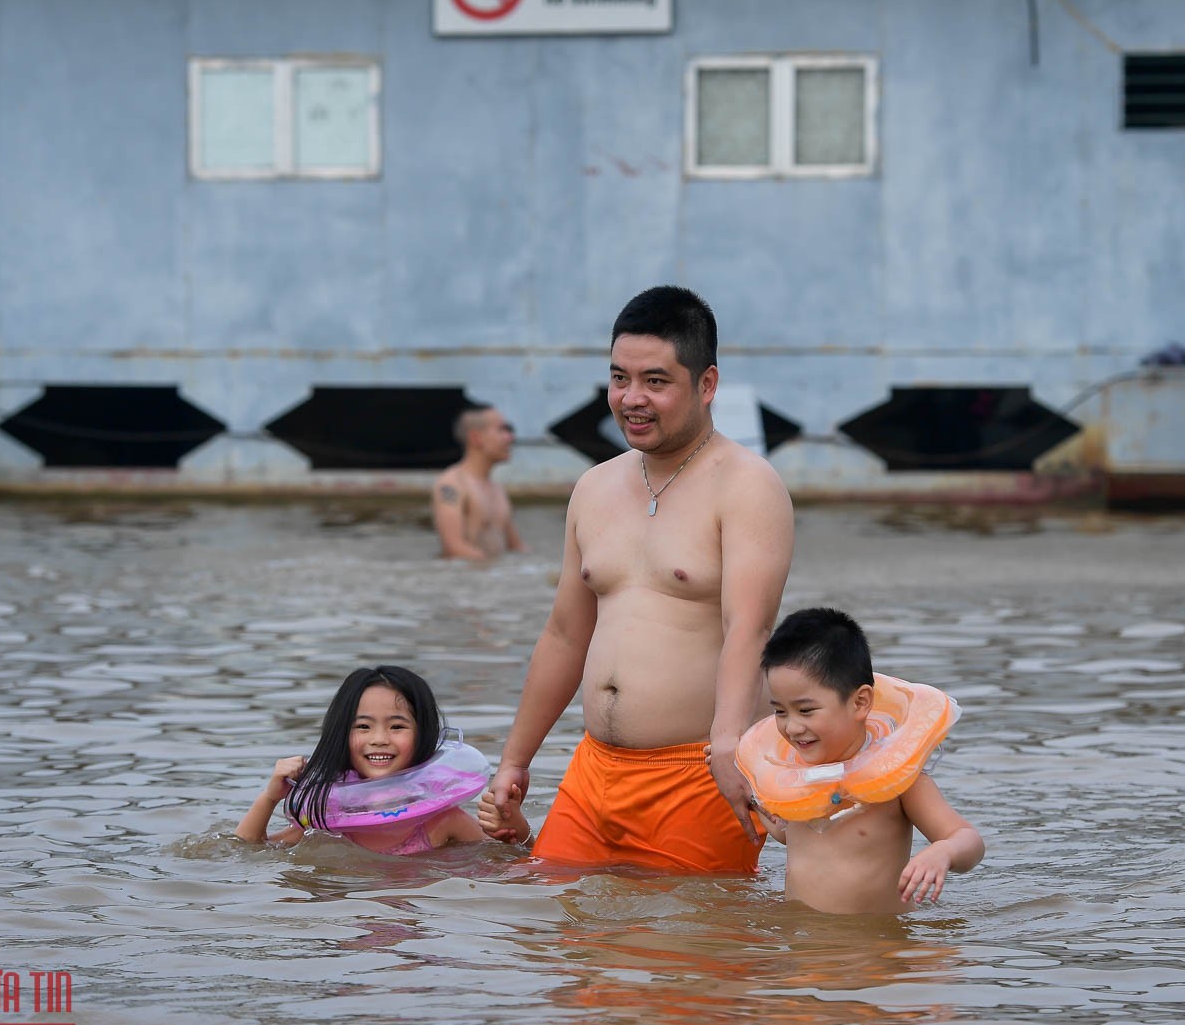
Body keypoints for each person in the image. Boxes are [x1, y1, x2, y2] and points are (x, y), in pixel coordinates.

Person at [484, 286, 794, 872]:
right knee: (557, 943)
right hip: (593, 772)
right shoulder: (594, 487)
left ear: (706, 385)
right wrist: (515, 760)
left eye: (655, 381)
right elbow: (564, 635)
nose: (632, 399)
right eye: (619, 378)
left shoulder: (747, 487)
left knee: (694, 952)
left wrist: (730, 742)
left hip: (698, 772)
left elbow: (747, 630)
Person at [746, 608, 984, 914]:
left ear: (860, 703)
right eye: (780, 711)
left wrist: (944, 851)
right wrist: (753, 798)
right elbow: (792, 836)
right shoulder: (796, 776)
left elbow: (969, 839)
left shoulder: (901, 781)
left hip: (876, 949)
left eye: (805, 711)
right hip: (805, 948)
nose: (791, 727)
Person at [236, 664, 530, 853]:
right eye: (363, 726)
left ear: (422, 734)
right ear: (341, 734)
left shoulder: (442, 822)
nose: (379, 738)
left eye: (397, 726)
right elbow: (246, 851)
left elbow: (514, 862)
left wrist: (518, 829)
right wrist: (269, 797)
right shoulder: (328, 822)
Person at [432, 406, 524, 561]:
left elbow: (516, 547)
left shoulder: (497, 489)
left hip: (492, 576)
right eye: (501, 430)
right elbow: (453, 547)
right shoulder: (451, 484)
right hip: (468, 580)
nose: (510, 437)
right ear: (476, 438)